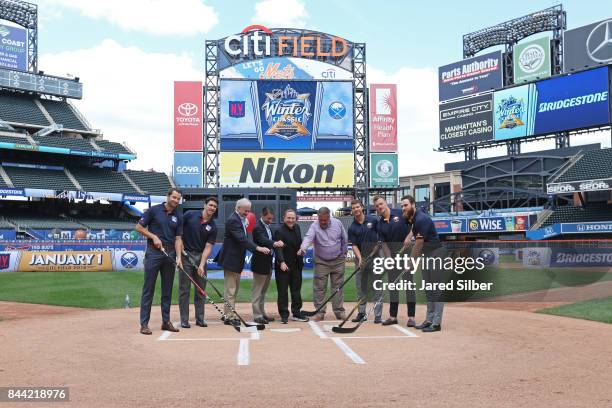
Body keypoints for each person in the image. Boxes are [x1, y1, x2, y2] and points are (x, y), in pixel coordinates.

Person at [135, 187, 184, 335]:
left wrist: (179, 257)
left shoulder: (178, 216)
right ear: (168, 196)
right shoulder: (154, 210)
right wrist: (153, 237)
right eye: (174, 197)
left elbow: (178, 239)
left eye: (178, 198)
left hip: (169, 254)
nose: (176, 200)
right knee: (148, 289)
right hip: (153, 253)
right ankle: (144, 324)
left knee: (167, 290)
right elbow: (138, 227)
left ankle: (166, 322)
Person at [214, 198, 270, 326]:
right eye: (245, 211)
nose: (247, 213)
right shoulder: (233, 220)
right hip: (230, 260)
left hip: (236, 260)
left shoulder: (240, 219)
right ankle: (229, 316)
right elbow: (242, 240)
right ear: (238, 208)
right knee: (231, 290)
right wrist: (258, 248)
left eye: (249, 211)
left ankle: (228, 313)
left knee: (233, 290)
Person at [400, 195, 445, 332]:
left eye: (405, 205)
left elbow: (418, 244)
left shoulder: (421, 219)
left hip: (436, 253)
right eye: (402, 206)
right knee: (429, 289)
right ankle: (429, 319)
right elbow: (413, 236)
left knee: (436, 290)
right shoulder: (413, 219)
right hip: (427, 255)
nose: (403, 208)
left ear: (413, 204)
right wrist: (405, 245)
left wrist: (410, 262)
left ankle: (436, 323)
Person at [298, 207, 348, 322]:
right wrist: (303, 249)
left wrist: (344, 253)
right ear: (318, 218)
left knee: (338, 288)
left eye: (325, 220)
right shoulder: (314, 226)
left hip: (338, 260)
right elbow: (308, 238)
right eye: (321, 220)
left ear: (329, 217)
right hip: (321, 261)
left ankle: (339, 312)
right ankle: (320, 313)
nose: (323, 222)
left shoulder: (338, 223)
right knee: (319, 288)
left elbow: (344, 239)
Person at [373, 195, 416, 327]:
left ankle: (411, 317)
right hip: (393, 257)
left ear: (386, 203)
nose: (379, 207)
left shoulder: (400, 213)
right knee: (393, 287)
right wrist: (389, 259)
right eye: (377, 206)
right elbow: (384, 244)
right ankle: (393, 316)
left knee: (409, 286)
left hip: (407, 255)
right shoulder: (380, 224)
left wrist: (409, 236)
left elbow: (415, 224)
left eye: (381, 203)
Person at [179, 196, 218, 329]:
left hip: (200, 256)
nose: (212, 208)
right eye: (210, 205)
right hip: (185, 255)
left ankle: (200, 319)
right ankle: (184, 320)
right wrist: (181, 246)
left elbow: (208, 247)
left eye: (214, 206)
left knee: (200, 290)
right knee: (184, 289)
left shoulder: (213, 226)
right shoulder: (190, 215)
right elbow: (178, 232)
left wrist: (202, 264)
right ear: (205, 205)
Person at [347, 199, 383, 323]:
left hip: (375, 258)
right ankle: (361, 313)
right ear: (352, 211)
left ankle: (378, 315)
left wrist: (379, 244)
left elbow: (381, 235)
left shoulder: (373, 220)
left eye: (357, 207)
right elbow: (354, 245)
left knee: (377, 287)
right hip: (361, 260)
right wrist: (360, 258)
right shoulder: (352, 227)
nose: (356, 209)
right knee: (361, 288)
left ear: (362, 207)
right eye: (353, 208)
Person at [274, 209, 308, 324]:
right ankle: (284, 315)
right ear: (284, 218)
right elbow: (278, 248)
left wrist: (302, 250)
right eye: (289, 218)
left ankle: (296, 313)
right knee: (283, 292)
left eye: (293, 218)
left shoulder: (297, 228)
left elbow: (299, 243)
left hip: (296, 265)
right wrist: (281, 262)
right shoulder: (279, 231)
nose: (291, 220)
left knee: (296, 291)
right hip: (283, 266)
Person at [250, 207, 284, 324]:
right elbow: (262, 239)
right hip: (259, 264)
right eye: (268, 218)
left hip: (268, 264)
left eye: (271, 218)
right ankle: (257, 315)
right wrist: (275, 243)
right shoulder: (257, 227)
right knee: (257, 291)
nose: (270, 220)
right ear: (263, 215)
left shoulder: (267, 227)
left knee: (263, 292)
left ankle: (262, 313)